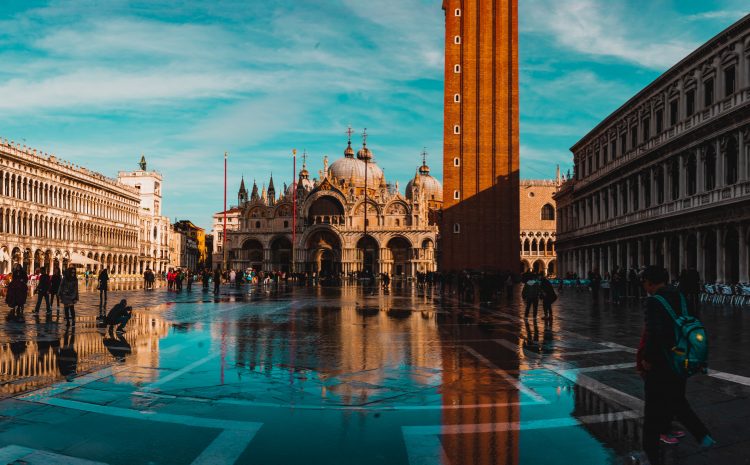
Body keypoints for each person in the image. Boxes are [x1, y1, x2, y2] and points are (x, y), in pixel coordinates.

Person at [638, 266, 714, 464]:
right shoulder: (680, 296)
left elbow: (655, 333)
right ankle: (702, 435)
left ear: (649, 282)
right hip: (682, 358)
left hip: (663, 362)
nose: (644, 286)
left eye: (644, 282)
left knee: (652, 411)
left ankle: (651, 454)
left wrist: (647, 359)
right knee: (677, 400)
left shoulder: (654, 301)